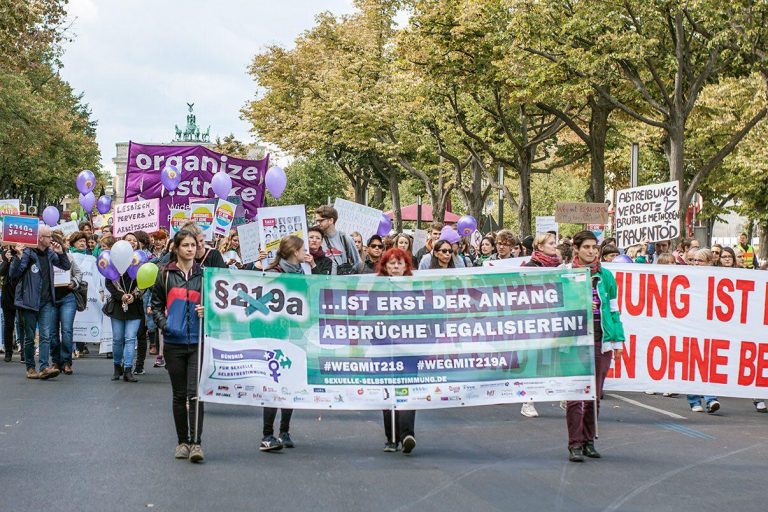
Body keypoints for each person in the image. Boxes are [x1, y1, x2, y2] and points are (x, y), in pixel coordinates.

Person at [565, 230, 625, 462]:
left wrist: (618, 340)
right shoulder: (565, 273)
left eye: (594, 247)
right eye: (587, 247)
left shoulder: (607, 277)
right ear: (576, 249)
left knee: (594, 394)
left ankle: (589, 440)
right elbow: (556, 306)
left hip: (601, 339)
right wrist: (579, 303)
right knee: (575, 395)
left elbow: (614, 310)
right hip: (574, 341)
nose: (591, 251)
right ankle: (575, 443)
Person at [151, 228, 206, 463]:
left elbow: (216, 303)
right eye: (185, 245)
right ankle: (182, 441)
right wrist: (166, 325)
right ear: (176, 248)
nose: (190, 249)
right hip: (174, 342)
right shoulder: (164, 274)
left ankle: (196, 444)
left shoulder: (204, 275)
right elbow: (154, 305)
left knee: (195, 394)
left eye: (193, 245)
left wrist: (208, 311)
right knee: (179, 394)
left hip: (197, 342)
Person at [259, 236, 309, 451]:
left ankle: (285, 430)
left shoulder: (302, 274)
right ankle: (268, 433)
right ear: (294, 252)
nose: (305, 252)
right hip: (275, 335)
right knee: (274, 384)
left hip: (295, 334)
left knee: (291, 384)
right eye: (302, 249)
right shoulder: (273, 274)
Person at [10, 224, 71, 379]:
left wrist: (61, 252)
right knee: (30, 337)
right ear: (40, 238)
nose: (51, 239)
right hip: (28, 301)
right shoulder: (27, 253)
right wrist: (17, 256)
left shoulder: (50, 253)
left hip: (46, 301)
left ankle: (44, 367)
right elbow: (14, 274)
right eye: (49, 237)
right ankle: (30, 368)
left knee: (45, 336)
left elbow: (65, 266)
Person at [377, 248, 417, 454]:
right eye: (391, 263)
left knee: (408, 391)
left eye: (399, 263)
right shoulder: (376, 289)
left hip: (409, 351)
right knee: (388, 393)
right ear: (384, 266)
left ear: (406, 266)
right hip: (385, 350)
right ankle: (390, 438)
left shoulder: (414, 289)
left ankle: (407, 435)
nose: (395, 267)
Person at [519, 232, 562, 419]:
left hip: (555, 319)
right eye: (551, 243)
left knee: (559, 360)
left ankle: (565, 397)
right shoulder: (531, 267)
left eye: (555, 243)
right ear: (540, 246)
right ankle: (528, 401)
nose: (555, 246)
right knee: (535, 362)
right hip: (535, 320)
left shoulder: (559, 266)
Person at [685, 248, 722, 413]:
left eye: (699, 261)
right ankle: (694, 401)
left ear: (709, 262)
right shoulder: (686, 278)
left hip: (710, 327)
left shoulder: (719, 279)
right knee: (692, 363)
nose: (695, 263)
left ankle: (711, 398)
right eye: (693, 260)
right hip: (691, 326)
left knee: (709, 362)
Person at [104, 256, 143, 383]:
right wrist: (121, 296)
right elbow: (108, 283)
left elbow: (145, 283)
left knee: (130, 338)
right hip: (117, 306)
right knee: (117, 339)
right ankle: (117, 367)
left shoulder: (139, 264)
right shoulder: (113, 264)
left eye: (133, 241)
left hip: (135, 307)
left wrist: (134, 295)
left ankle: (127, 369)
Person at [49, 232, 83, 375]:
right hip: (50, 299)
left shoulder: (68, 257)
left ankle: (67, 362)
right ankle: (56, 361)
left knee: (67, 330)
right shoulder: (45, 259)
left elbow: (78, 273)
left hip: (67, 298)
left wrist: (73, 283)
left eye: (53, 244)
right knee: (52, 333)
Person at [314, 205, 361, 275]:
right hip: (323, 283)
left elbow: (358, 263)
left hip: (342, 284)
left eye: (321, 221)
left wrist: (349, 274)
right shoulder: (316, 239)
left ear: (331, 220)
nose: (318, 223)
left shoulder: (345, 238)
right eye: (317, 221)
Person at [0, 244, 22, 362]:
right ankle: (8, 352)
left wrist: (19, 255)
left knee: (22, 324)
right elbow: (2, 272)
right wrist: (7, 260)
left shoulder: (23, 254)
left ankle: (24, 350)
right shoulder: (5, 254)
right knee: (8, 325)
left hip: (21, 294)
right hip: (8, 295)